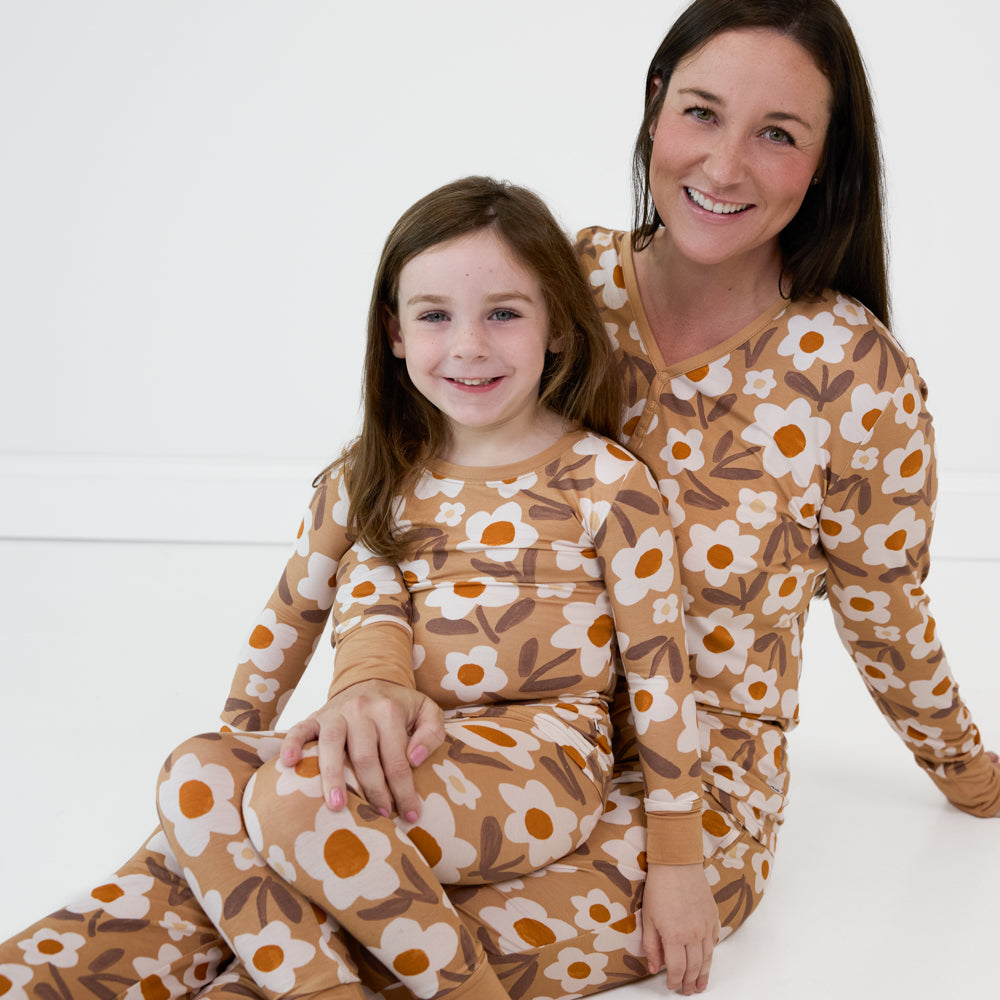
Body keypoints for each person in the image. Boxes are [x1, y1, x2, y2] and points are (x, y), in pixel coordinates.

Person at [2, 1, 997, 999]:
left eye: (776, 134)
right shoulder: (546, 284)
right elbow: (393, 488)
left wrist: (964, 770)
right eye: (701, 112)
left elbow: (886, 606)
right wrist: (370, 668)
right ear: (654, 110)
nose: (725, 166)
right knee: (194, 874)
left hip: (681, 793)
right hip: (455, 734)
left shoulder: (856, 374)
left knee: (345, 945)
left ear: (826, 162)